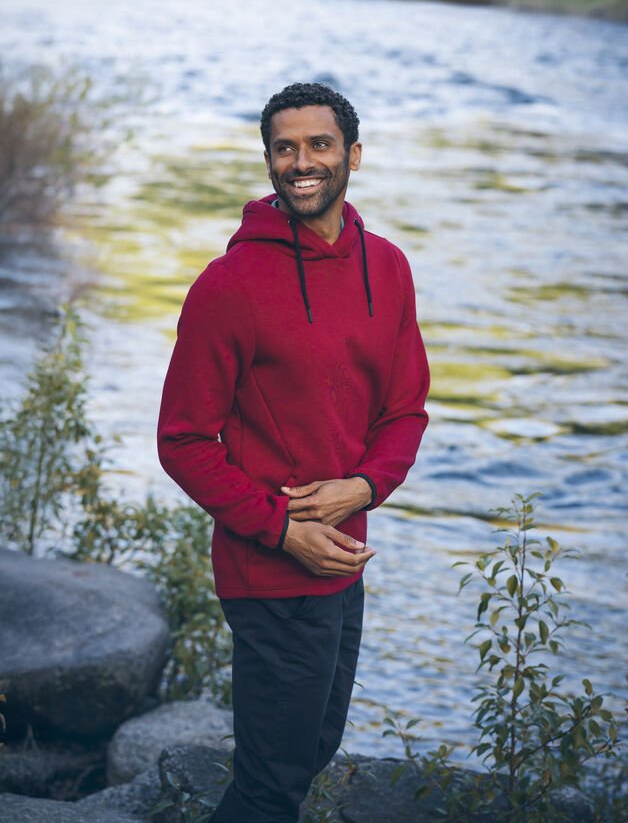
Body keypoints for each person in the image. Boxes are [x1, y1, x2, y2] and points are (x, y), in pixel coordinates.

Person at [157, 82, 429, 823]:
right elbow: (182, 439)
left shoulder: (388, 267)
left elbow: (406, 409)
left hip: (344, 559)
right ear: (269, 161)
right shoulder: (229, 286)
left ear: (353, 156)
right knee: (271, 785)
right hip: (268, 570)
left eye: (318, 145)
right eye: (284, 148)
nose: (301, 162)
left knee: (307, 755)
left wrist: (364, 487)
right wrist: (280, 530)